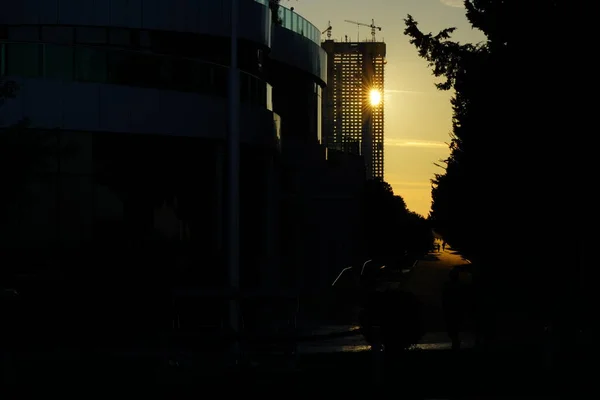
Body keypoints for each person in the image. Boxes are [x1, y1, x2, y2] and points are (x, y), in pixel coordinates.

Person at [442, 268, 463, 350]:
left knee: (452, 326)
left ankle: (455, 341)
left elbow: (444, 298)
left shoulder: (448, 285)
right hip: (455, 309)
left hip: (451, 309)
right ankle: (455, 341)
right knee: (455, 326)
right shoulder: (459, 285)